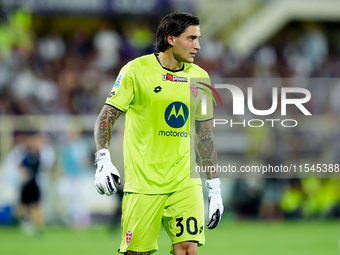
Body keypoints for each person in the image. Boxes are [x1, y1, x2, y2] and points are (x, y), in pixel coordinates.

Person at [93, 12, 223, 255]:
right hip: (143, 182)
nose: (198, 46)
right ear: (171, 39)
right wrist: (102, 158)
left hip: (185, 180)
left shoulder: (200, 77)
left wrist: (214, 188)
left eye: (198, 39)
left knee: (187, 249)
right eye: (191, 38)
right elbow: (106, 117)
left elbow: (204, 134)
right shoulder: (135, 70)